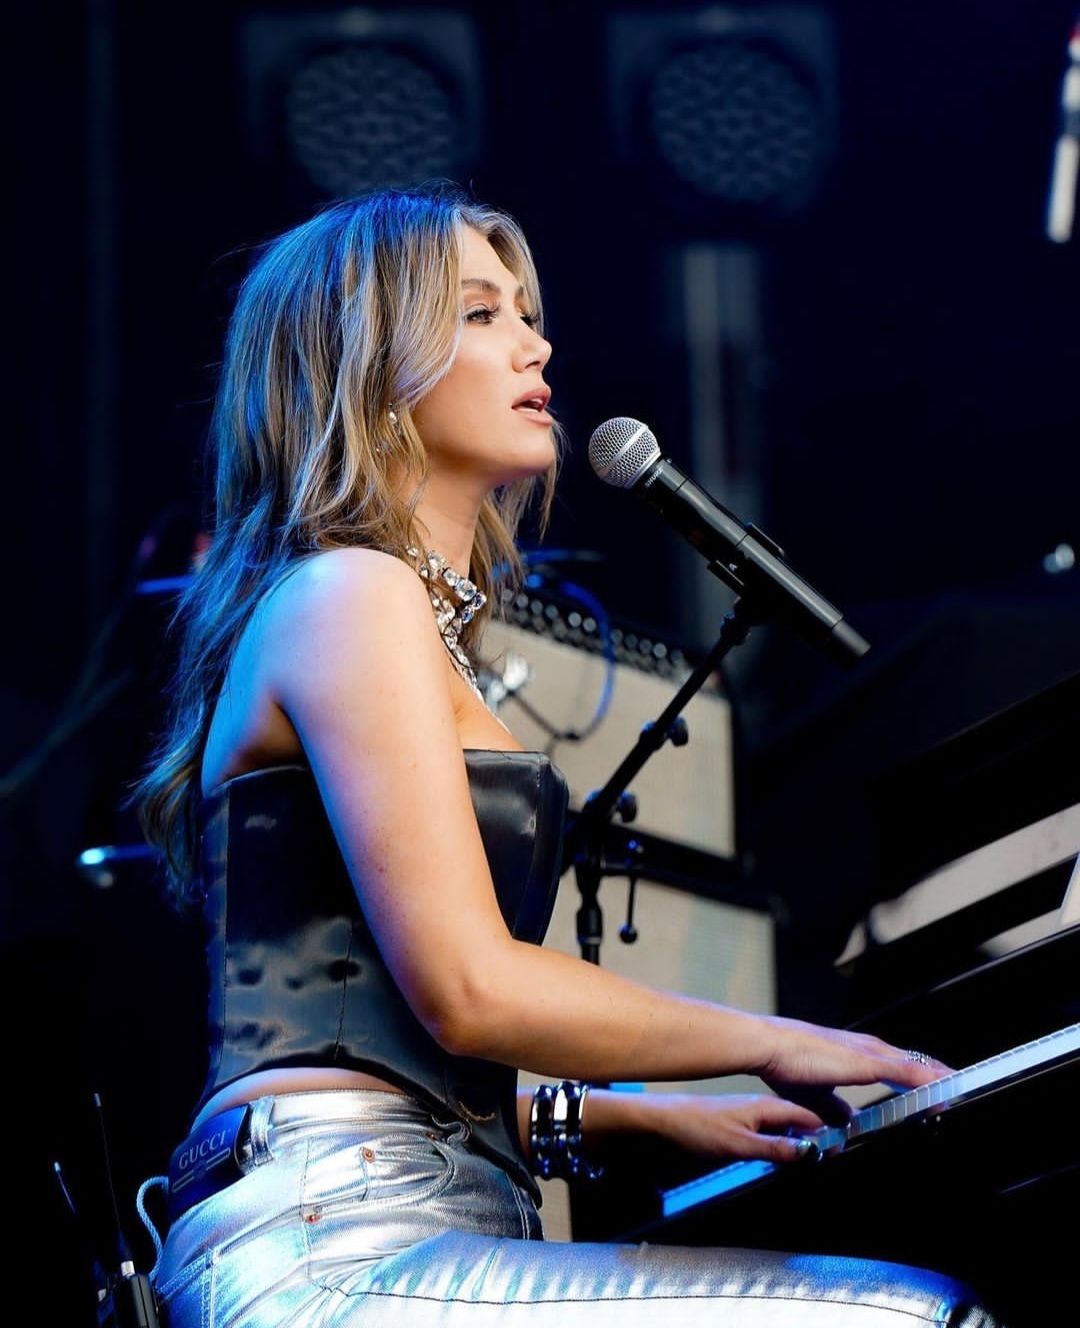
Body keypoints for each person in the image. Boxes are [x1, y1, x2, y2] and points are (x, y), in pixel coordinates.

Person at [135, 185, 1000, 1326]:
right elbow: (469, 990)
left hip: (392, 1201)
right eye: (480, 313)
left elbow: (387, 1038)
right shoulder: (350, 593)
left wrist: (646, 1113)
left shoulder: (384, 613)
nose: (535, 344)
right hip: (326, 1235)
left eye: (527, 313)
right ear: (365, 365)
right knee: (924, 1317)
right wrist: (781, 1039)